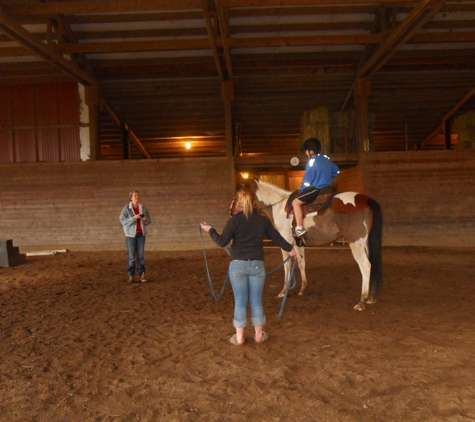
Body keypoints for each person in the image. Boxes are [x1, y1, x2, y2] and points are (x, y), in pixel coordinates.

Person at [201, 188, 297, 346]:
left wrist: (210, 230)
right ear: (254, 203)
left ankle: (239, 338)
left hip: (238, 265)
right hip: (257, 266)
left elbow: (222, 241)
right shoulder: (263, 221)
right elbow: (276, 237)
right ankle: (259, 336)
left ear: (238, 203)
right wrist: (290, 249)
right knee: (256, 301)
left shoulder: (234, 221)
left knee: (240, 301)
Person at [291, 138, 339, 237]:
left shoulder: (312, 161)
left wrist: (301, 189)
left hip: (316, 189)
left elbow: (307, 181)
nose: (306, 153)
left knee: (295, 202)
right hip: (328, 188)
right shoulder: (326, 159)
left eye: (306, 151)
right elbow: (337, 170)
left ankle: (299, 228)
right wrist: (329, 177)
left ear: (311, 151)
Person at [119, 190, 152, 284]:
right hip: (130, 235)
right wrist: (134, 218)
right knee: (132, 257)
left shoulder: (143, 208)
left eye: (137, 195)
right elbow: (123, 221)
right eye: (135, 195)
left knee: (141, 256)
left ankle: (142, 274)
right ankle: (131, 275)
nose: (137, 197)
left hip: (141, 235)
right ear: (131, 197)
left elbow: (148, 221)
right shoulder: (126, 209)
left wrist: (145, 220)